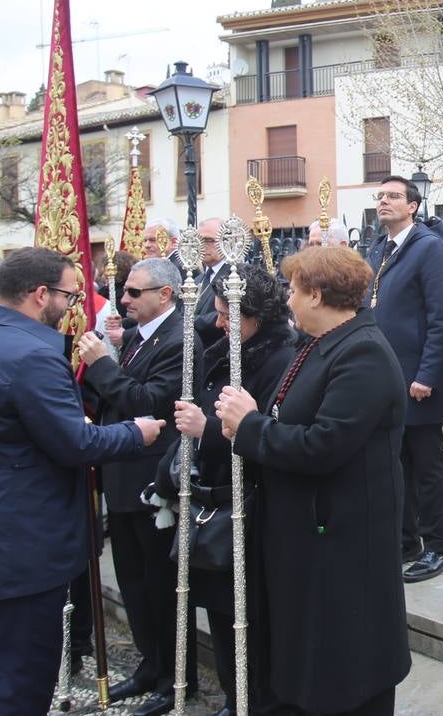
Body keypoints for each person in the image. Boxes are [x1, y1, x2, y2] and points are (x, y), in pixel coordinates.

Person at [0, 246, 165, 716]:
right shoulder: (33, 353)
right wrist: (135, 432)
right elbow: (74, 443)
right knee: (23, 679)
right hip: (18, 547)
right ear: (40, 295)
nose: (73, 306)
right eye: (70, 296)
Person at [217, 245, 411, 715]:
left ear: (318, 295)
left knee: (346, 665)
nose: (288, 300)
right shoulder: (324, 344)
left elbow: (323, 445)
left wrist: (250, 426)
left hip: (343, 540)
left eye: (294, 290)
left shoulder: (362, 353)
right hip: (311, 535)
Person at [168, 264, 295, 715]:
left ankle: (255, 700)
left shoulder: (279, 359)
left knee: (251, 621)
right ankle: (233, 695)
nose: (218, 323)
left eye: (227, 315)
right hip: (216, 501)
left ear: (255, 315)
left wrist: (207, 431)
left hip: (252, 508)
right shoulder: (226, 349)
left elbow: (264, 439)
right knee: (222, 617)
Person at [76, 257, 195, 716]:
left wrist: (103, 365)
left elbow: (147, 404)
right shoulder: (138, 335)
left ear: (164, 295)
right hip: (121, 475)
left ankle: (174, 676)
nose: (123, 300)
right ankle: (151, 664)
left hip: (151, 480)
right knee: (133, 582)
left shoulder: (180, 340)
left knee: (161, 585)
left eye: (133, 292)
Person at [363, 175, 443, 582]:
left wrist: (427, 375)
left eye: (394, 196)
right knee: (394, 464)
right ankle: (406, 541)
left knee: (427, 466)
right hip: (386, 378)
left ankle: (438, 545)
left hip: (418, 381)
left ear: (413, 205)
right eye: (380, 196)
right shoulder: (378, 249)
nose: (384, 201)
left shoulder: (429, 249)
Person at [192, 218, 227, 347]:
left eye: (209, 240)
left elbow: (225, 315)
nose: (202, 246)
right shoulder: (196, 280)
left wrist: (187, 323)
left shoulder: (235, 275)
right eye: (199, 241)